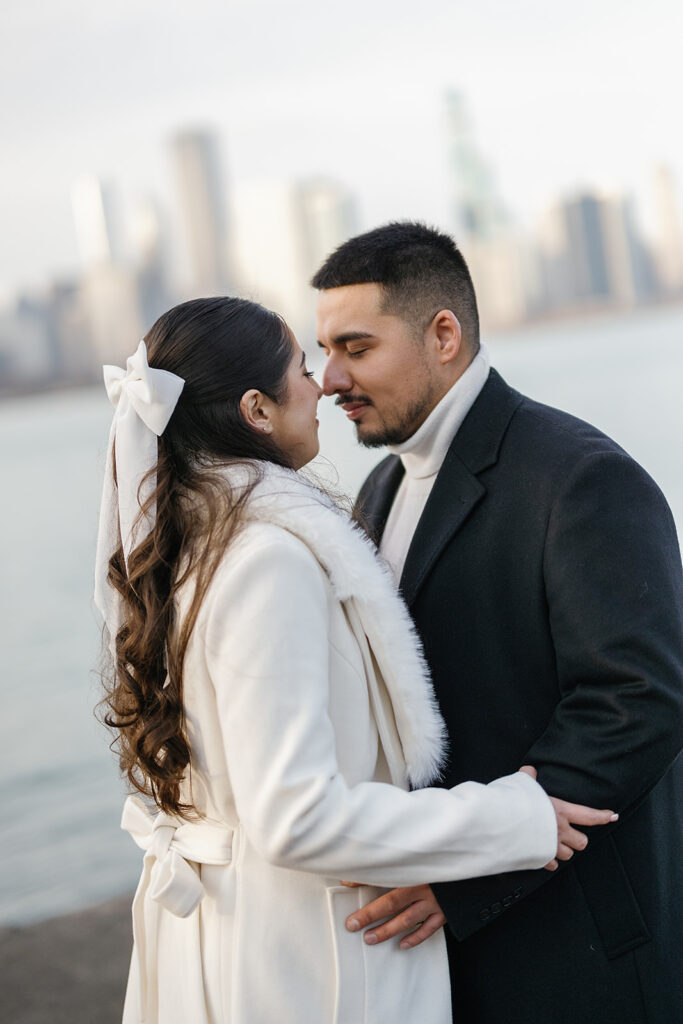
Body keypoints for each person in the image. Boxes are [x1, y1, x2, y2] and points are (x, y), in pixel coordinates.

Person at [94, 297, 614, 1024]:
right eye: (301, 370)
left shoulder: (188, 548)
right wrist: (509, 821)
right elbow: (295, 816)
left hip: (238, 928)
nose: (320, 387)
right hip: (309, 957)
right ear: (256, 409)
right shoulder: (266, 558)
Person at [312, 221, 683, 1024]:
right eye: (324, 350)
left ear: (443, 334)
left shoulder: (581, 478)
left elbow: (636, 702)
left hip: (572, 947)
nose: (328, 377)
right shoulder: (377, 489)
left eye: (354, 347)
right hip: (438, 960)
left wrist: (469, 874)